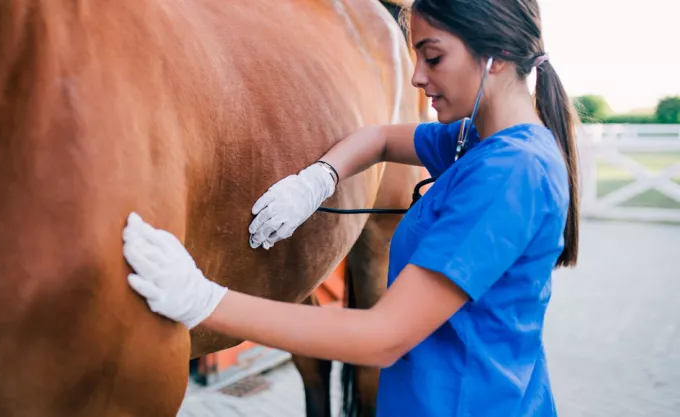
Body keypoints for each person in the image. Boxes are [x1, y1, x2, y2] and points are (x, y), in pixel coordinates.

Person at [121, 0, 580, 415]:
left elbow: (383, 337)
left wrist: (202, 300)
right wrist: (317, 178)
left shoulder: (510, 172)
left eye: (433, 56)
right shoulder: (478, 142)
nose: (418, 76)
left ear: (495, 56)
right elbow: (380, 138)